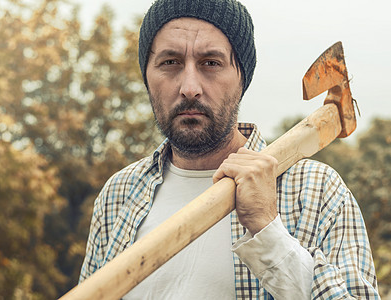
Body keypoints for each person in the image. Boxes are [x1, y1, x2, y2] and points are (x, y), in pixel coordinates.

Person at [79, 0, 380, 298]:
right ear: (147, 76)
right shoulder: (118, 193)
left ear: (242, 80)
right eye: (169, 62)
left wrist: (268, 231)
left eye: (211, 63)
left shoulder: (317, 191)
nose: (189, 87)